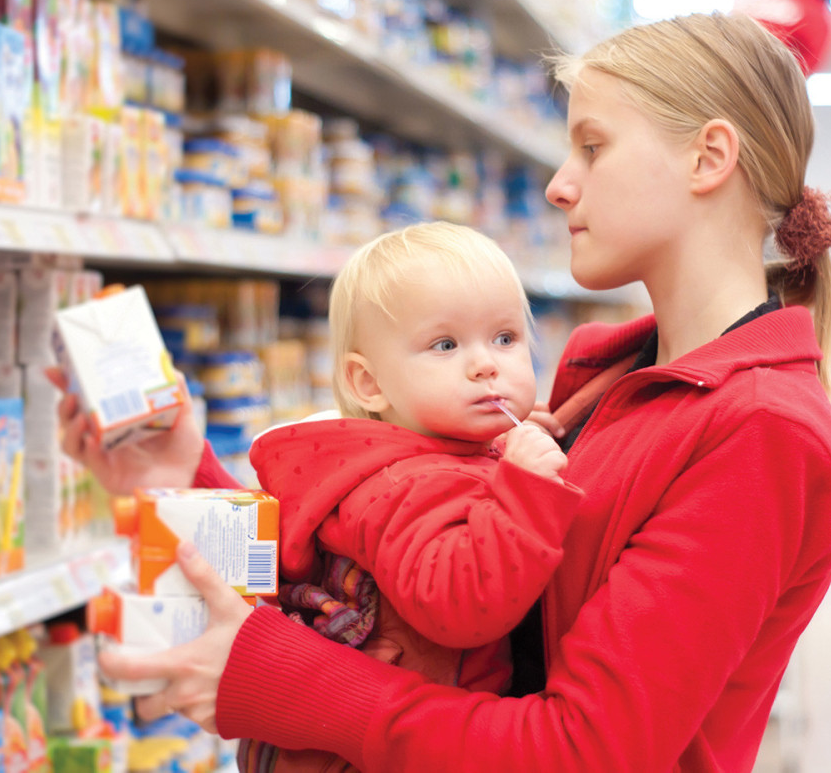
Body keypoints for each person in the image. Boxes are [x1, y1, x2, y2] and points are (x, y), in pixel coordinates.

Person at [58, 11, 831, 771]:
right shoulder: (606, 381)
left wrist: (284, 679)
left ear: (708, 157)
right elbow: (388, 567)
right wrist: (180, 478)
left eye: (592, 146)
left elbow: (582, 751)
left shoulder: (761, 432)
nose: (558, 185)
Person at [238, 222, 581, 770]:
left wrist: (493, 446)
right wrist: (523, 490)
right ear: (369, 384)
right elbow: (462, 604)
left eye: (506, 338)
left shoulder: (427, 457)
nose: (486, 363)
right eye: (445, 345)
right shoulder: (402, 483)